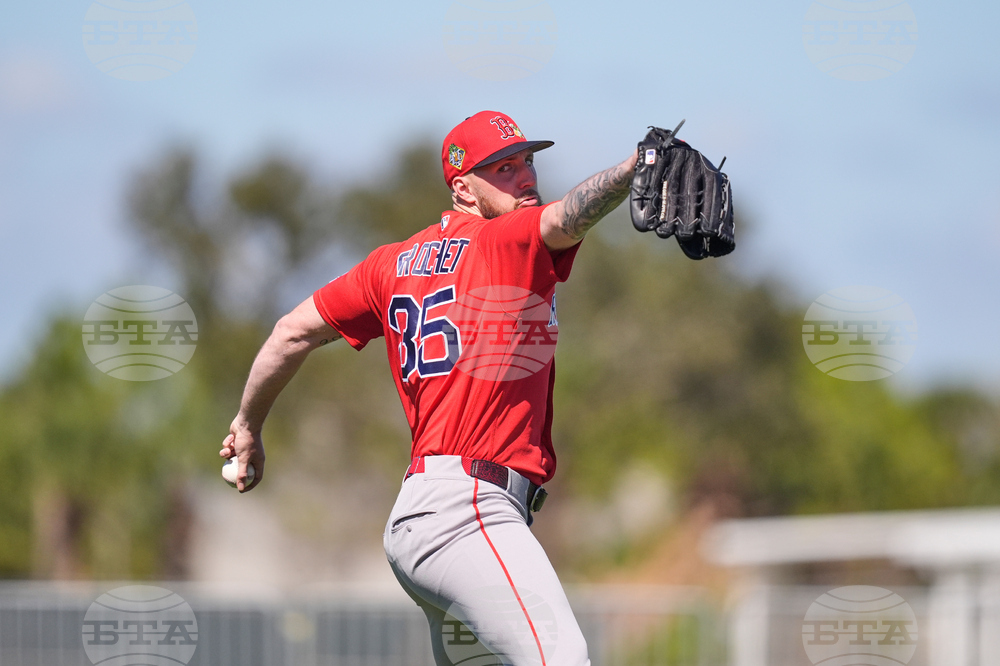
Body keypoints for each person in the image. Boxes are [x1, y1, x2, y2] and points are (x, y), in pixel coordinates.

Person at [220, 110, 639, 665]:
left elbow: (290, 332)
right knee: (562, 658)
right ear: (463, 188)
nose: (526, 178)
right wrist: (637, 167)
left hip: (421, 516)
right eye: (505, 168)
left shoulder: (390, 264)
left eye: (527, 162)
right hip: (469, 511)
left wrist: (247, 425)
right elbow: (568, 218)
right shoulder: (503, 239)